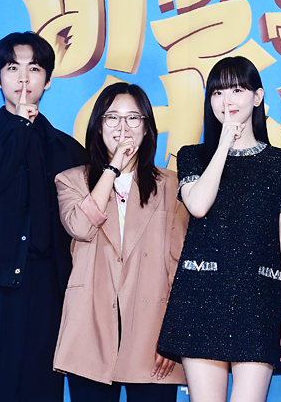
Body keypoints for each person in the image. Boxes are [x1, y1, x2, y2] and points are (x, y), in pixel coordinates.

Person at [0, 31, 87, 402]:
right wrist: (20, 126)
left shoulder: (70, 151)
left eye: (34, 68)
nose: (24, 78)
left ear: (48, 80)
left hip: (50, 292)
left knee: (42, 391)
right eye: (12, 68)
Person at [157, 56, 281, 402]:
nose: (227, 100)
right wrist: (223, 145)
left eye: (237, 90)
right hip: (201, 298)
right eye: (218, 92)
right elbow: (198, 205)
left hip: (259, 300)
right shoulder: (192, 156)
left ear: (258, 96)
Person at [52, 82, 189, 401]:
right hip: (90, 329)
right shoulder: (71, 181)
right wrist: (112, 168)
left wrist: (173, 335)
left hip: (152, 333)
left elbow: (179, 265)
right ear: (99, 126)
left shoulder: (172, 186)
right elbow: (82, 226)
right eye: (112, 117)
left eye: (133, 118)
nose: (123, 127)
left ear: (147, 128)